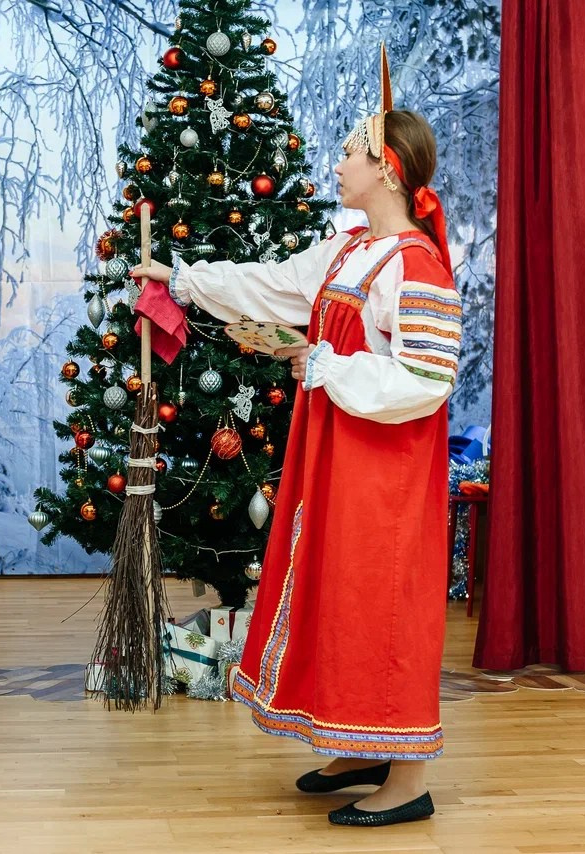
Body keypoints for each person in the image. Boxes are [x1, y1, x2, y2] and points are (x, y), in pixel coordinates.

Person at [130, 51, 461, 828]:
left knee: (382, 603)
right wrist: (180, 278)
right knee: (338, 594)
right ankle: (360, 746)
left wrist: (323, 362)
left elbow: (424, 383)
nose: (338, 162)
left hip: (386, 473)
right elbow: (275, 281)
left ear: (387, 168)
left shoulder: (418, 268)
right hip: (340, 461)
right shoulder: (351, 251)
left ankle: (409, 781)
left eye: (351, 151)